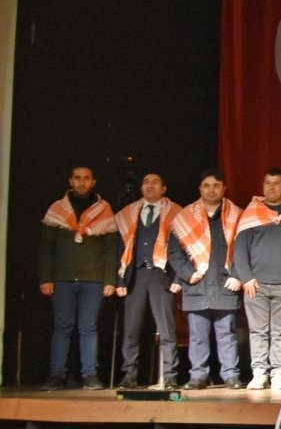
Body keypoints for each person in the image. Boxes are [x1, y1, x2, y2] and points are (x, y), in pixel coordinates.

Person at [38, 166, 119, 391]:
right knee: (62, 327)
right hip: (62, 278)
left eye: (86, 178)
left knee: (88, 327)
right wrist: (45, 278)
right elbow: (47, 248)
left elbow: (111, 249)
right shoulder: (57, 209)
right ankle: (56, 375)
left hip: (93, 279)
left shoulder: (103, 209)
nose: (81, 182)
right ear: (71, 181)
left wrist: (109, 280)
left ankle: (90, 375)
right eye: (77, 178)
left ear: (93, 182)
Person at [168, 169, 244, 390]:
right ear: (199, 188)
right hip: (197, 285)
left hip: (225, 285)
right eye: (207, 185)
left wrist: (237, 275)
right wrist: (187, 273)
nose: (212, 190)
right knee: (197, 336)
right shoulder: (184, 218)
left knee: (227, 334)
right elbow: (174, 252)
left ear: (224, 188)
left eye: (216, 185)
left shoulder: (237, 216)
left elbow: (244, 250)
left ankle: (231, 375)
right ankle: (198, 376)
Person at [233, 168, 281, 390]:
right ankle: (259, 373)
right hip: (256, 285)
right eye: (267, 183)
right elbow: (239, 249)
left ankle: (279, 373)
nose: (271, 187)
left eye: (276, 183)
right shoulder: (252, 213)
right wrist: (246, 278)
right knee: (258, 331)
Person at [114, 172, 182, 389]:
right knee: (131, 329)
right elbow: (120, 248)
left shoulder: (176, 213)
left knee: (167, 329)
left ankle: (170, 375)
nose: (150, 186)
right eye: (146, 182)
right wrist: (120, 280)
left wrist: (178, 277)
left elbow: (184, 247)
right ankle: (129, 374)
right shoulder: (128, 213)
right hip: (135, 275)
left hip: (161, 275)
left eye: (155, 182)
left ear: (164, 188)